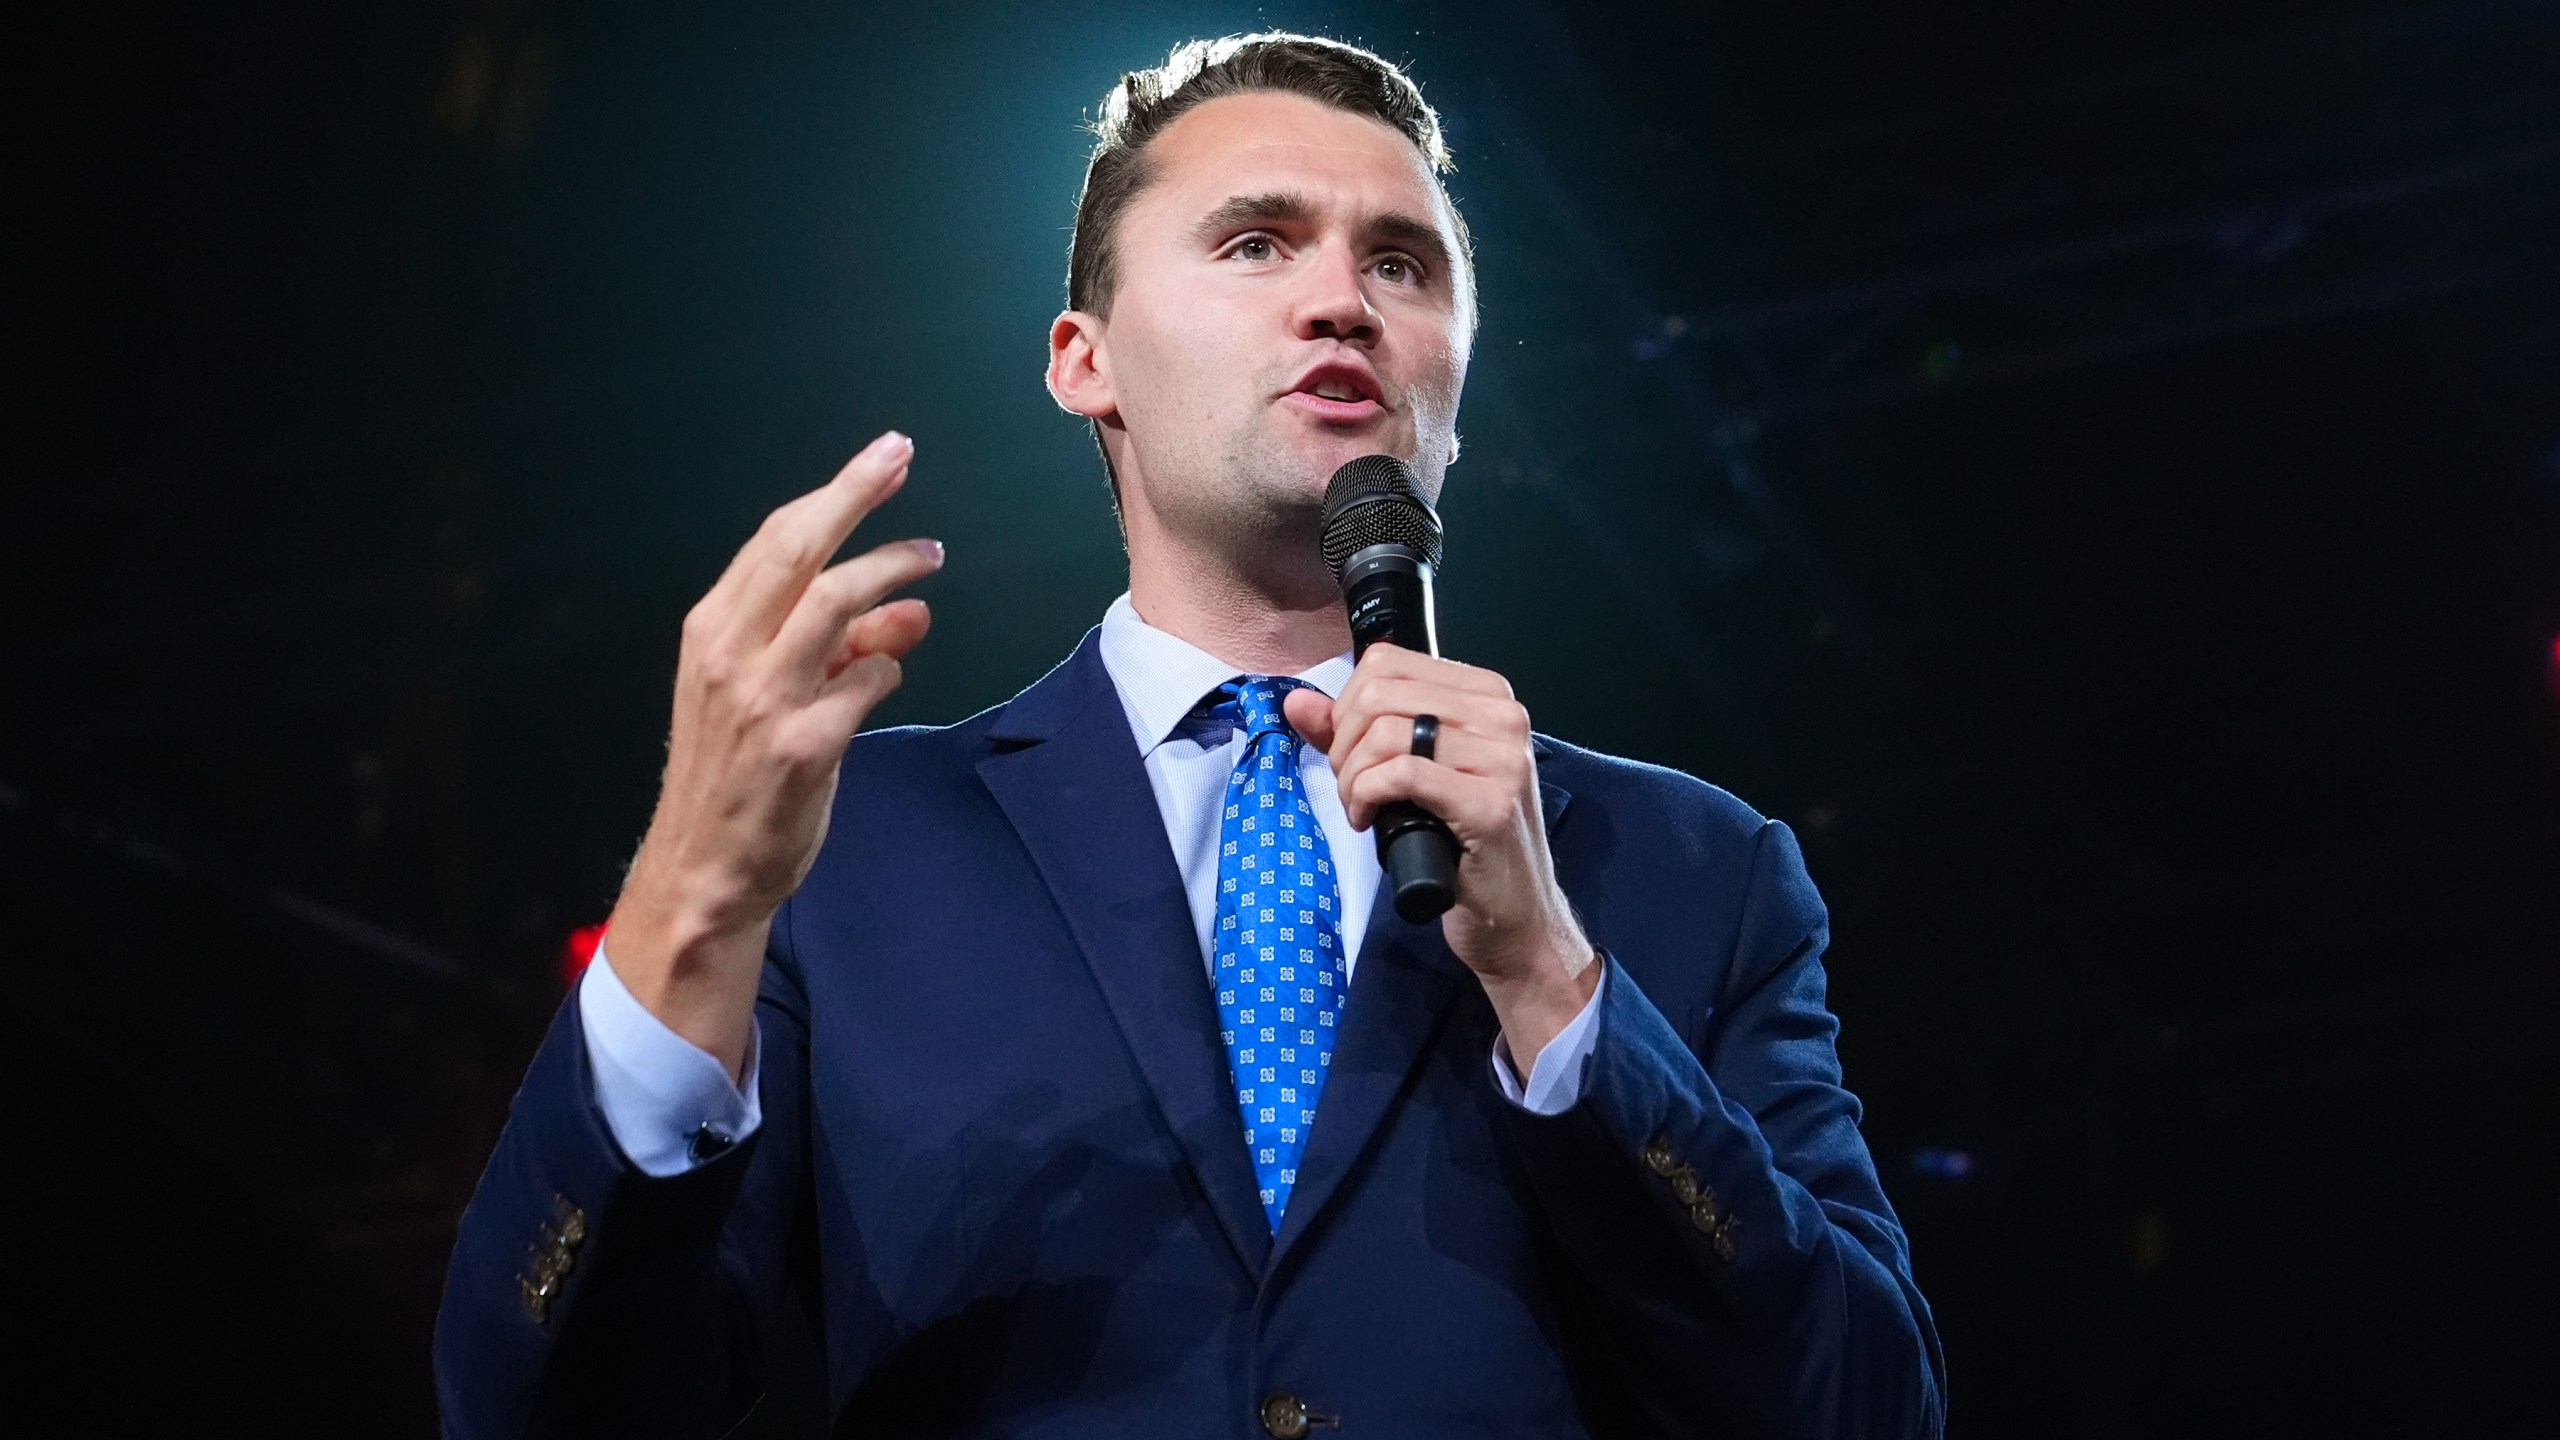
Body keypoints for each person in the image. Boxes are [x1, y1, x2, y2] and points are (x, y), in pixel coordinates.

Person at [436, 32, 1945, 1439]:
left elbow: (1868, 1403)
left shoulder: (1692, 870)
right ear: (1084, 361)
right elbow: (531, 1403)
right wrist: (690, 910)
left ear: (1455, 388)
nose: (1344, 298)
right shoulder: (847, 852)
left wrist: (1554, 987)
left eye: (1403, 265)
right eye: (1255, 243)